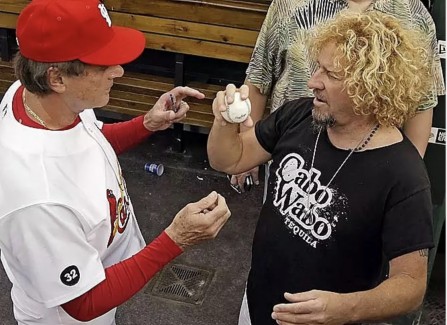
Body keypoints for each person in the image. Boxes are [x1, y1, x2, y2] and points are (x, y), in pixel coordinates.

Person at [0, 0, 231, 324]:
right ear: (57, 78)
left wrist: (147, 123)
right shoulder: (38, 198)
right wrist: (176, 239)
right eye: (103, 63)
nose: (119, 70)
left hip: (105, 270)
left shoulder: (36, 98)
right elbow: (82, 304)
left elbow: (86, 138)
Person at [208, 10, 434, 325]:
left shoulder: (404, 175)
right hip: (257, 301)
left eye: (330, 74)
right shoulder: (299, 116)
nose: (314, 82)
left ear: (370, 86)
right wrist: (222, 122)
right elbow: (228, 159)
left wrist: (344, 309)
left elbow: (411, 286)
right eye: (317, 67)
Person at [229, 0, 445, 193]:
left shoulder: (413, 14)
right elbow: (259, 80)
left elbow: (421, 103)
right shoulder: (289, 4)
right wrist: (247, 149)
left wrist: (407, 180)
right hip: (290, 165)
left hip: (370, 175)